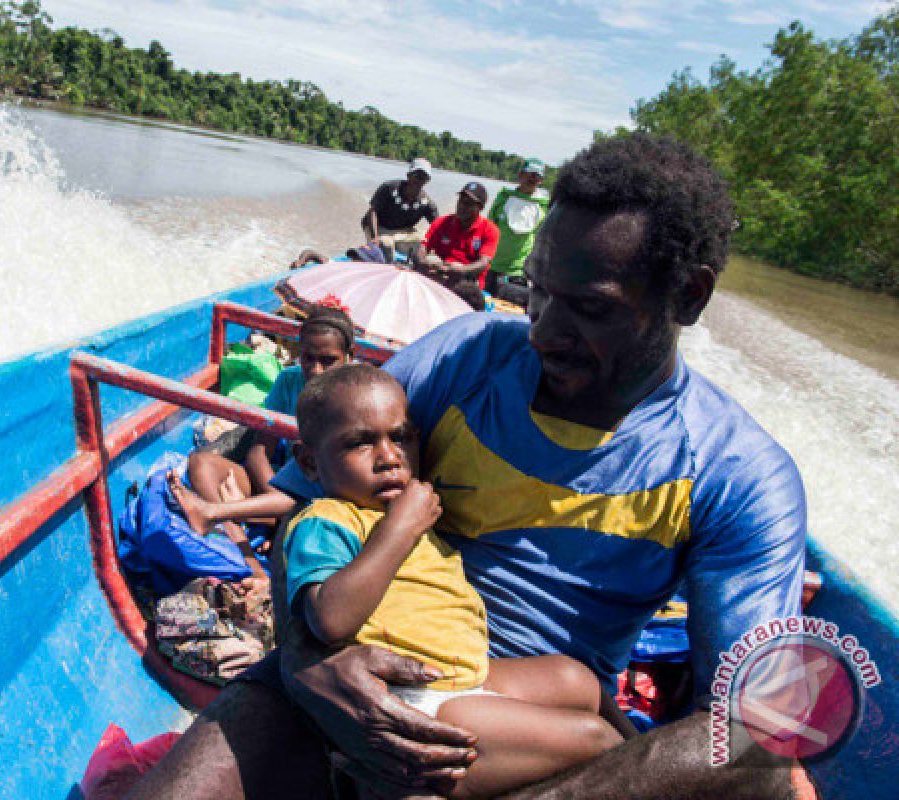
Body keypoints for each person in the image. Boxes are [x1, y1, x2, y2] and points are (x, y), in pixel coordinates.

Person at [127, 133, 807, 800]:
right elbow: (307, 509)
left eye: (590, 309)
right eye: (537, 291)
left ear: (688, 296)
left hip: (539, 743)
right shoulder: (468, 354)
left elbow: (745, 730)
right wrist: (309, 663)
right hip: (352, 668)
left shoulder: (737, 475)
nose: (541, 330)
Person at [286, 363, 622, 798]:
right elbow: (329, 618)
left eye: (401, 437)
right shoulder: (327, 520)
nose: (389, 457)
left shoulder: (409, 517)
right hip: (409, 705)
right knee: (597, 740)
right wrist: (399, 529)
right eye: (359, 443)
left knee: (576, 680)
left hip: (459, 677)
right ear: (310, 463)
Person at [170, 305, 355, 538]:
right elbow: (258, 453)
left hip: (326, 495)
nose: (315, 370)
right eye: (308, 358)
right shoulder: (289, 380)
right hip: (283, 487)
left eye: (328, 361)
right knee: (201, 464)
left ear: (350, 356)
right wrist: (274, 498)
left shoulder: (359, 395)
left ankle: (228, 514)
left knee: (312, 509)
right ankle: (244, 546)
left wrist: (273, 505)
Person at [412, 182, 501, 291]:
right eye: (460, 201)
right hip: (441, 271)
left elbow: (483, 263)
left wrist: (460, 270)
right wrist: (423, 261)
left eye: (468, 203)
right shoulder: (441, 222)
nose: (462, 206)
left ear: (481, 207)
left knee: (457, 272)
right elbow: (423, 247)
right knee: (425, 262)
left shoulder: (490, 230)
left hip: (468, 279)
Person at [487, 159, 551, 306]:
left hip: (518, 271)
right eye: (530, 174)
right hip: (492, 265)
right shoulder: (503, 198)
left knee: (509, 311)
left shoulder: (544, 207)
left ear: (541, 180)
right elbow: (489, 226)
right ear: (520, 175)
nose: (532, 179)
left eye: (537, 176)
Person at [362, 158, 439, 262]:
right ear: (408, 175)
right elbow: (372, 212)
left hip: (403, 231)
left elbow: (438, 227)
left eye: (423, 177)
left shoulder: (427, 203)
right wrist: (374, 237)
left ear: (427, 180)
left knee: (424, 245)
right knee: (385, 244)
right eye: (416, 176)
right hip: (378, 226)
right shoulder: (388, 188)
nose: (419, 181)